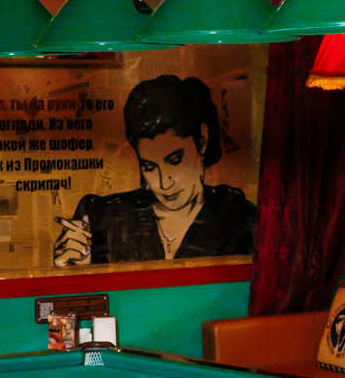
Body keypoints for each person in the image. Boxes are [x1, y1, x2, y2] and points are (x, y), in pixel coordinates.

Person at [53, 75, 256, 265]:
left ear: (202, 141)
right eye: (149, 167)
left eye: (175, 160)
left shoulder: (241, 221)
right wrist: (71, 268)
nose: (163, 183)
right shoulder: (102, 218)